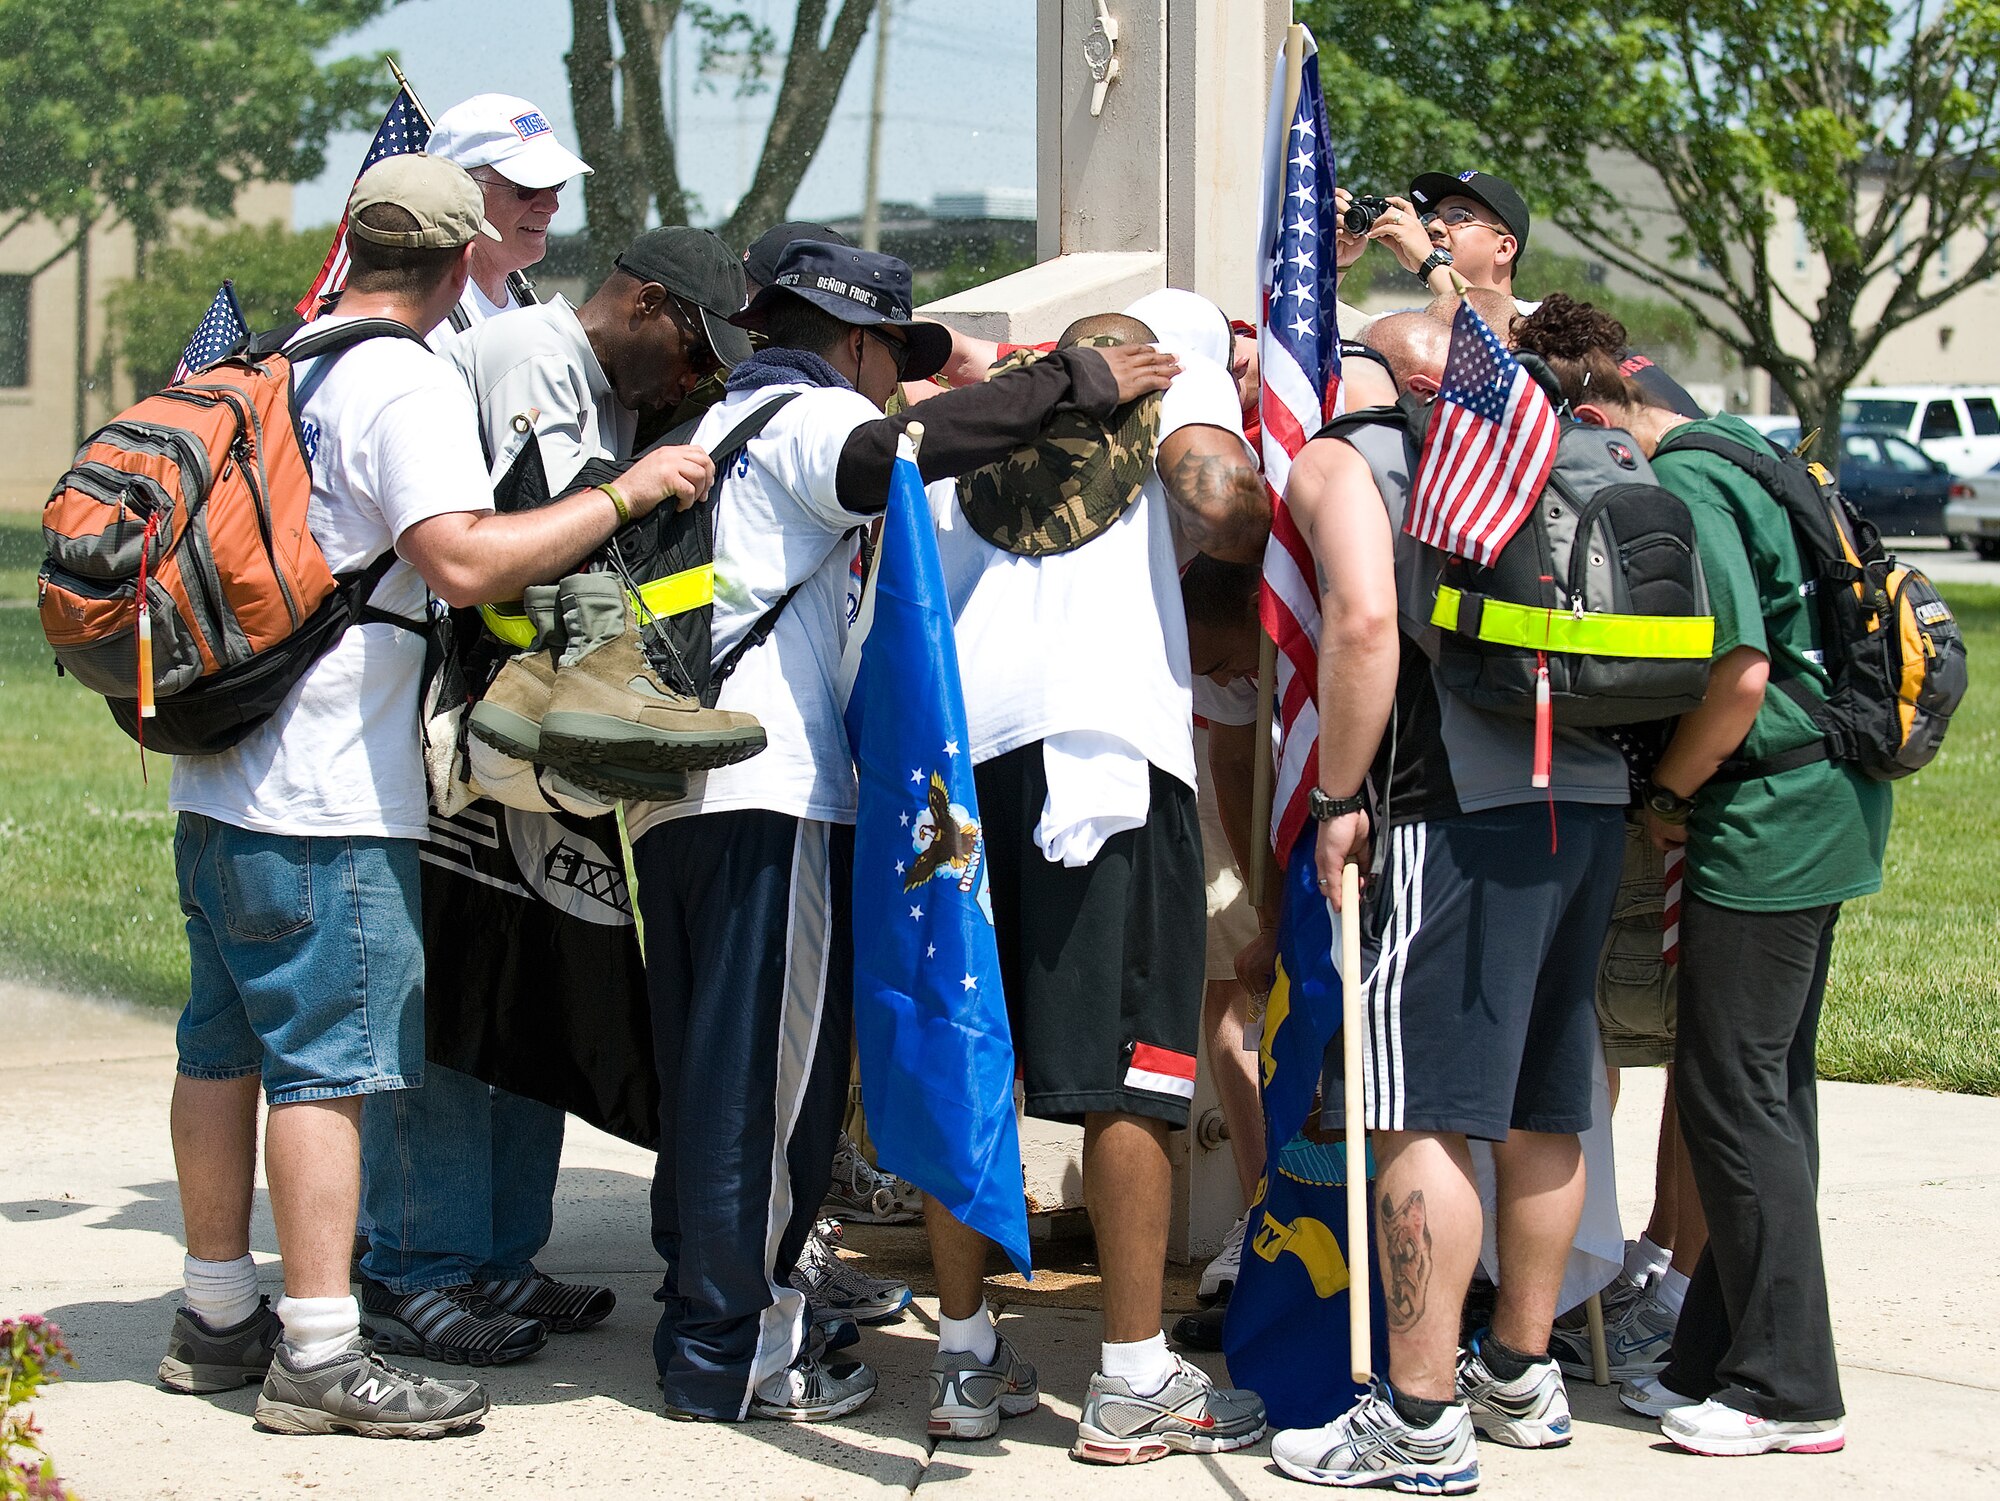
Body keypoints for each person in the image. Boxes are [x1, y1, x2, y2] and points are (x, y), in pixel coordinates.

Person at [155, 153, 712, 1437]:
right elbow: (460, 560)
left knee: (220, 1046)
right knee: (328, 1071)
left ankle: (217, 1313)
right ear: (466, 259)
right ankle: (321, 1349)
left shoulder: (284, 359)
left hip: (220, 771)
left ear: (354, 240)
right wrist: (623, 493)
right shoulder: (398, 376)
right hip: (326, 791)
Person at [619, 241, 1179, 1425]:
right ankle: (739, 1356)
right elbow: (885, 453)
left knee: (710, 1080)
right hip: (768, 791)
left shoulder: (716, 422)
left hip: (679, 791)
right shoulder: (805, 410)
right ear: (856, 342)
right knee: (771, 1099)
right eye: (888, 355)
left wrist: (963, 375)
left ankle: (705, 1320)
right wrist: (1069, 384)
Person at [353, 225, 749, 1362]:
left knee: (526, 995)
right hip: (463, 724)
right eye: (696, 352)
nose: (697, 380)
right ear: (649, 304)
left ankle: (493, 1259)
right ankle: (410, 1266)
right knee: (453, 998)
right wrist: (643, 482)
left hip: (537, 736)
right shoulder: (534, 348)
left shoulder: (614, 392)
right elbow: (562, 524)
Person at [1514, 293, 1885, 1456]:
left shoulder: (1697, 484)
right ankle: (1716, 1354)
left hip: (1763, 813)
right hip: (1815, 800)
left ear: (1606, 405)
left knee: (1731, 1096)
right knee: (1766, 1094)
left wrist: (1666, 794)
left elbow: (1736, 672)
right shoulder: (1750, 449)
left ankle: (1786, 1391)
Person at [1266, 310, 1630, 1492]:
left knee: (1418, 1105)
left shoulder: (1354, 452)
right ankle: (1518, 1376)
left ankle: (1416, 1423)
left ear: (1369, 372)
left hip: (1454, 804)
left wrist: (1334, 796)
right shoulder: (1546, 443)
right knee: (1542, 1099)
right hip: (1586, 795)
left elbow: (1365, 623)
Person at [925, 296, 1270, 1465]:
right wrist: (1197, 426)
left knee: (967, 1049)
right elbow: (1225, 499)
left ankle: (963, 1361)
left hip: (964, 767)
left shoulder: (972, 432)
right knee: (1137, 1069)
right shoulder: (1165, 410)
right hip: (1107, 762)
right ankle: (1129, 1379)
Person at [425, 93, 591, 333]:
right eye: (527, 186)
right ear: (459, 190)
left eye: (556, 184)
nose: (551, 205)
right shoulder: (430, 322)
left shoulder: (525, 302)